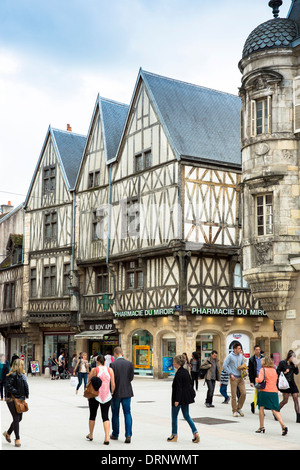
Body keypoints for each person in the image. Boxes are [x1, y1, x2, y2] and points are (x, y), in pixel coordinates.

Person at [167, 355, 200, 443]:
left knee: (174, 416)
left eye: (174, 362)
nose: (173, 363)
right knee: (186, 415)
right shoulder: (185, 372)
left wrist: (177, 400)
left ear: (178, 363)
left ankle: (174, 435)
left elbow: (179, 388)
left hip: (179, 399)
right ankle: (195, 433)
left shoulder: (178, 374)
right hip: (186, 398)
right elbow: (189, 385)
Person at [86, 355, 115, 445]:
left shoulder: (94, 370)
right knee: (105, 416)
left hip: (95, 395)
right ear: (104, 361)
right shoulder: (110, 370)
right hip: (106, 395)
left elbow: (88, 382)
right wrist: (112, 393)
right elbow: (113, 384)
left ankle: (91, 434)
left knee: (92, 415)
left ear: (97, 361)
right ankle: (106, 437)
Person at [255, 356, 288, 436]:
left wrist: (256, 379)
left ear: (264, 363)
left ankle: (261, 426)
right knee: (275, 410)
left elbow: (260, 380)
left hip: (264, 392)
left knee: (261, 408)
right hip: (274, 392)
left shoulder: (263, 370)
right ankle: (283, 425)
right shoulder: (274, 370)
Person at [110, 347, 134, 443]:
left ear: (115, 353)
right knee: (127, 413)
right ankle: (128, 434)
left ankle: (115, 434)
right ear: (122, 353)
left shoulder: (113, 364)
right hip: (127, 391)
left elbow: (111, 379)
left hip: (116, 392)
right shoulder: (129, 363)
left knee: (115, 414)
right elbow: (131, 377)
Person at [3, 358, 29, 448]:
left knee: (19, 418)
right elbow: (8, 386)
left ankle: (8, 433)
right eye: (22, 364)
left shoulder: (22, 375)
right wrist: (17, 392)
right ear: (18, 366)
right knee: (16, 417)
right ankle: (17, 439)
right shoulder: (12, 375)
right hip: (11, 399)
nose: (23, 366)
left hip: (20, 399)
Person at [222, 341, 247, 417]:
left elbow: (243, 364)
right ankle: (234, 410)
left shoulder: (241, 356)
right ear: (235, 349)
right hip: (234, 378)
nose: (240, 349)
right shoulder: (230, 356)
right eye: (239, 348)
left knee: (244, 393)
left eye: (240, 348)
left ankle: (239, 408)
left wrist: (244, 369)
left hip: (240, 377)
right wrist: (230, 374)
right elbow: (224, 365)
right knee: (234, 395)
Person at [277, 350, 300, 423]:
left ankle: (298, 416)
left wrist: (296, 366)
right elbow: (277, 371)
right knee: (285, 400)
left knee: (296, 399)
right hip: (285, 384)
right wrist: (284, 372)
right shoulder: (282, 363)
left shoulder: (293, 364)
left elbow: (296, 373)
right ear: (289, 357)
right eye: (292, 357)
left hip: (292, 383)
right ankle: (276, 412)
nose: (293, 359)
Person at [249, 345, 263, 414]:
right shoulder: (251, 359)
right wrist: (251, 381)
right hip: (256, 378)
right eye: (257, 349)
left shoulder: (263, 358)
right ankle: (260, 409)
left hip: (263, 377)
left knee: (262, 394)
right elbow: (250, 371)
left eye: (259, 349)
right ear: (254, 350)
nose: (258, 351)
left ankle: (254, 404)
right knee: (258, 394)